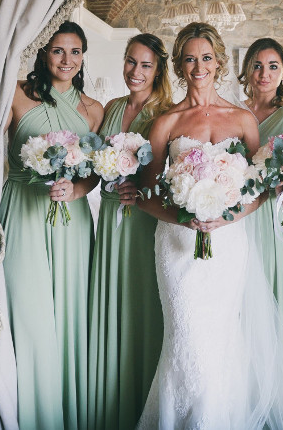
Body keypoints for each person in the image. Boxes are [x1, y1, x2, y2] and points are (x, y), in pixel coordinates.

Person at [136, 22, 283, 430]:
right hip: (177, 245)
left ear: (219, 63)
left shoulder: (242, 120)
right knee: (186, 337)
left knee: (222, 338)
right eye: (189, 58)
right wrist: (187, 218)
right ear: (179, 65)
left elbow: (258, 189)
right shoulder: (166, 123)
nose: (198, 66)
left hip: (228, 243)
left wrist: (223, 219)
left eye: (206, 57)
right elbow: (147, 195)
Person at [0, 21, 104, 430]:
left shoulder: (93, 110)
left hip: (71, 221)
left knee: (69, 312)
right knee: (28, 309)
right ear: (44, 55)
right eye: (58, 51)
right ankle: (32, 414)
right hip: (22, 206)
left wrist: (77, 191)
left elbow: (94, 173)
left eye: (75, 52)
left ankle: (68, 410)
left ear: (83, 57)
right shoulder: (16, 95)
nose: (67, 60)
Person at [88, 33, 173, 430]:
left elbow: (169, 177)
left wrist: (140, 188)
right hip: (109, 215)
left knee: (140, 300)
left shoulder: (166, 113)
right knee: (111, 295)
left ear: (158, 69)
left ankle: (142, 396)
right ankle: (108, 401)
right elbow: (94, 163)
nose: (134, 72)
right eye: (129, 62)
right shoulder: (112, 107)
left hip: (142, 219)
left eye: (145, 65)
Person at [237, 37, 283, 366]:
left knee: (274, 289)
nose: (263, 74)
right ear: (247, 70)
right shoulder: (235, 114)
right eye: (256, 65)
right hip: (240, 215)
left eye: (272, 66)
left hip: (276, 216)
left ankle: (281, 373)